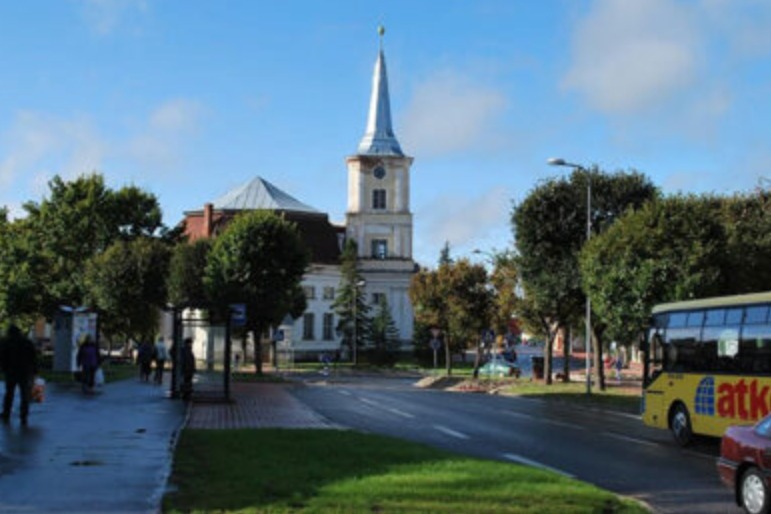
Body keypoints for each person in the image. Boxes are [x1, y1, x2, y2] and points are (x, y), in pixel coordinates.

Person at [1, 325, 39, 426]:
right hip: (26, 372)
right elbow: (33, 357)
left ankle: (6, 413)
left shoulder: (7, 342)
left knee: (9, 393)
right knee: (25, 395)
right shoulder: (27, 342)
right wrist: (35, 371)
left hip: (11, 372)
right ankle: (24, 416)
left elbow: (3, 357)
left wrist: (4, 369)